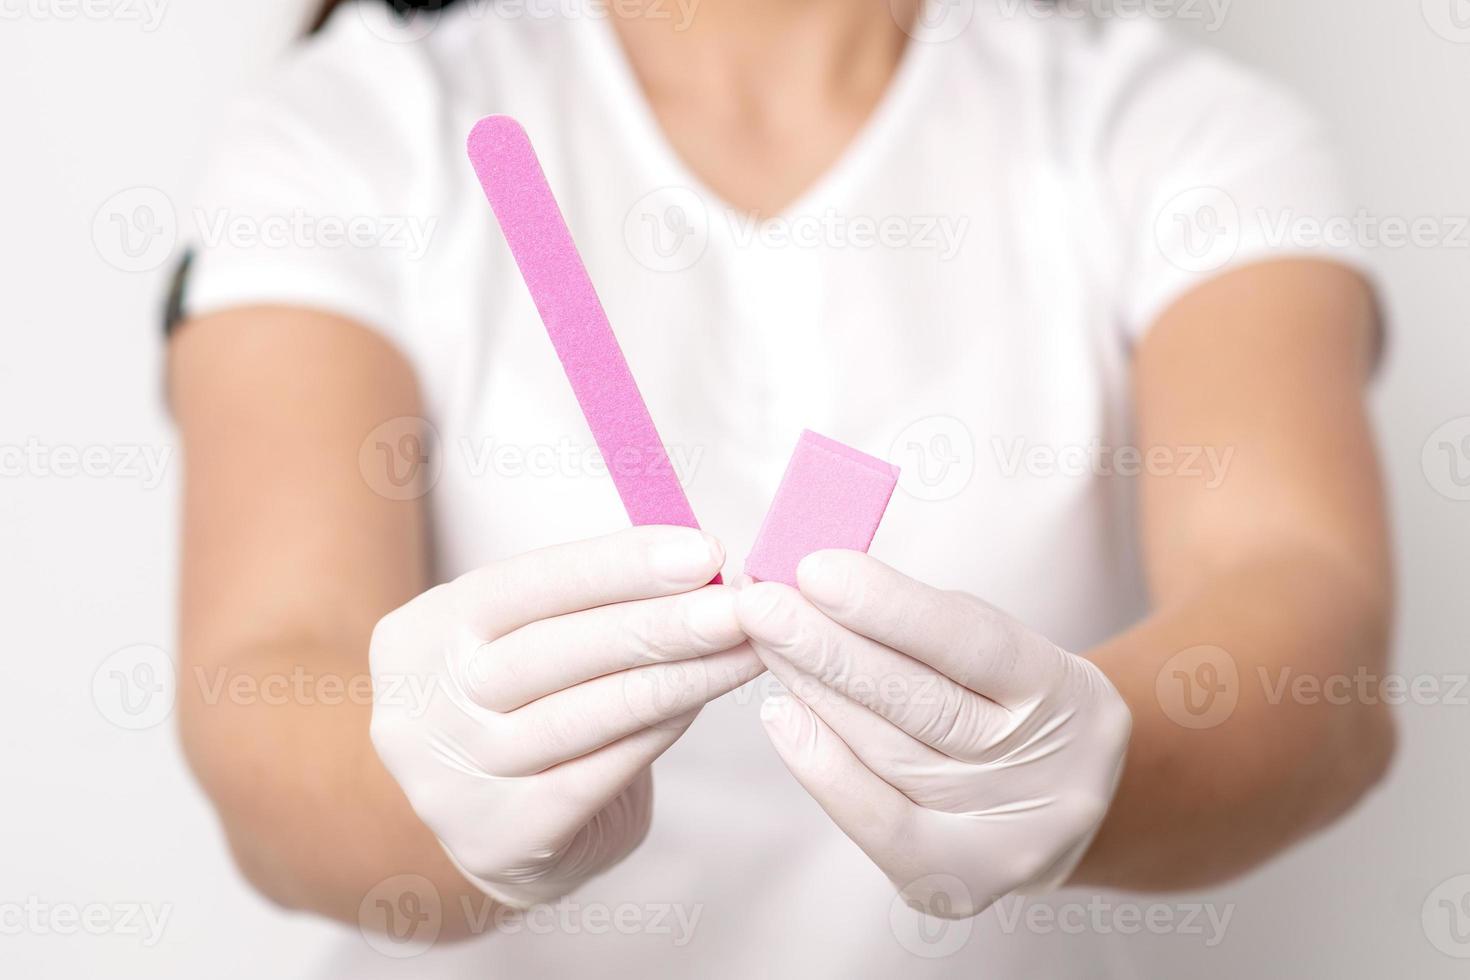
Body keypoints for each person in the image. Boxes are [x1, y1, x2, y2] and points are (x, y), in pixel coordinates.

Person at [167, 0, 1395, 973]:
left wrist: (1091, 775)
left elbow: (1309, 623)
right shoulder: (367, 121)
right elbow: (263, 684)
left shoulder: (1159, 127)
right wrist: (435, 807)